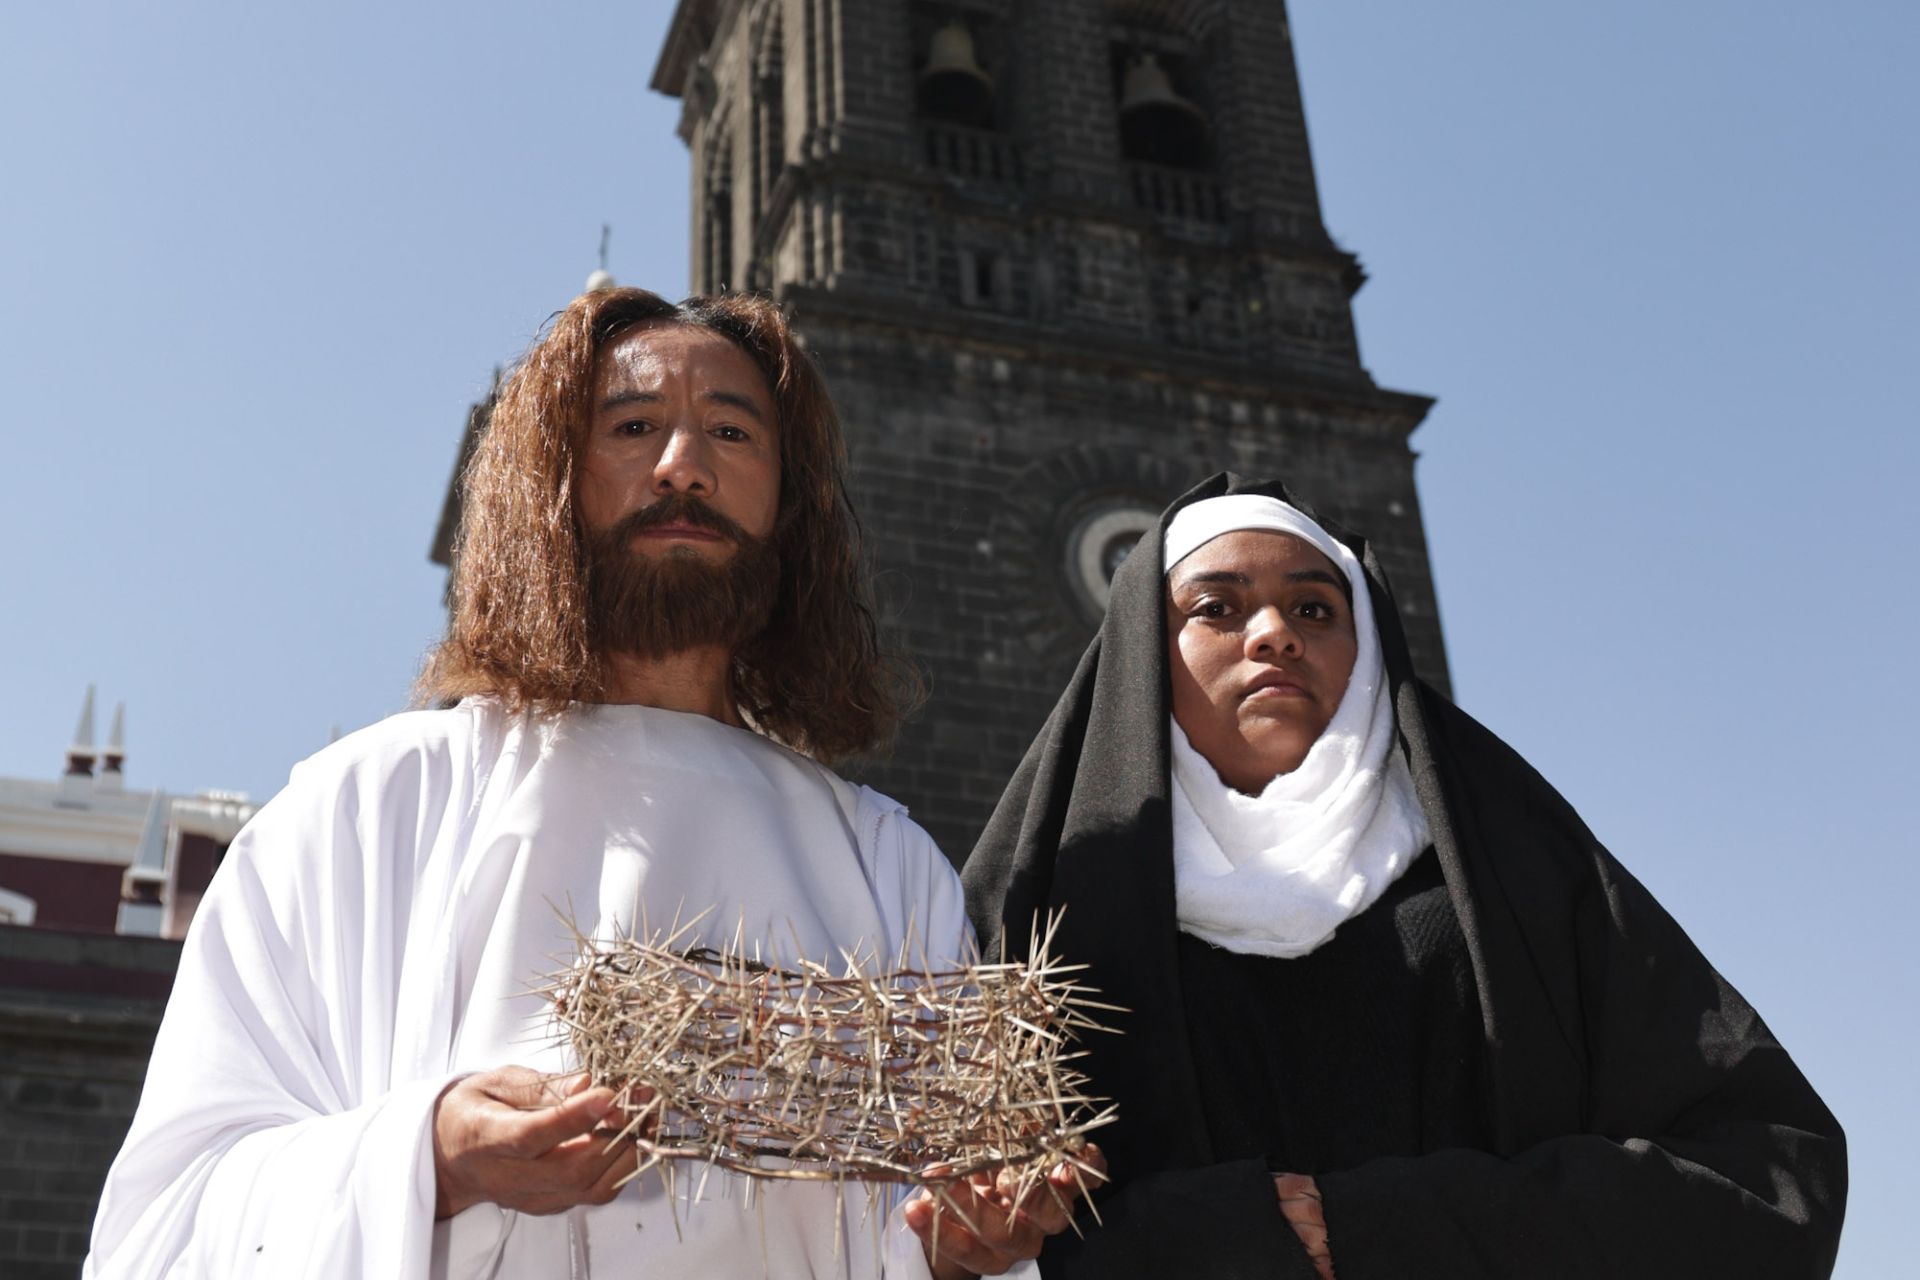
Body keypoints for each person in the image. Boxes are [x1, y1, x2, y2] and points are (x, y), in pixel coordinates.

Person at [85, 288, 1092, 1279]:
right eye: (635, 424)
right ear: (552, 484)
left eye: (732, 433)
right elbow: (166, 1219)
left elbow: (925, 1221)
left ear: (791, 508)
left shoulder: (886, 862)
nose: (682, 466)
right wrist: (429, 1149)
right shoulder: (366, 806)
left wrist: (959, 1245)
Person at [962, 474, 1846, 1278]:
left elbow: (1772, 1167)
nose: (1272, 634)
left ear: (1370, 650)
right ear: (1142, 659)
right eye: (1216, 608)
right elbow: (927, 1220)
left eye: (1314, 610)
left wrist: (1396, 1228)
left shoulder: (1513, 874)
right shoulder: (1048, 914)